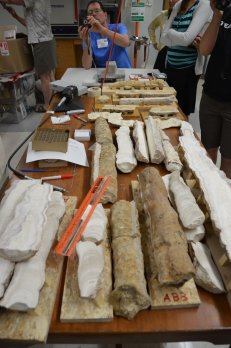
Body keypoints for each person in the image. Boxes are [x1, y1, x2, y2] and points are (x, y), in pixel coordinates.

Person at [1, 0, 57, 112]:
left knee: (45, 77)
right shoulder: (33, 7)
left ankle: (47, 106)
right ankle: (52, 104)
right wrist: (15, 16)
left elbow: (18, 1)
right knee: (49, 75)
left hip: (42, 41)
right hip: (43, 40)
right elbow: (31, 26)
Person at [160, 0, 212, 118]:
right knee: (168, 108)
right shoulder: (179, 5)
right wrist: (181, 38)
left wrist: (171, 33)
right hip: (170, 65)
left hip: (188, 68)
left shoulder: (203, 4)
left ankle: (183, 137)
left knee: (182, 114)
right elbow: (163, 38)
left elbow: (186, 39)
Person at [199, 0, 231, 178]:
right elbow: (204, 49)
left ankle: (224, 201)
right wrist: (216, 16)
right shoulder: (222, 13)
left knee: (228, 159)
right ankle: (207, 197)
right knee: (207, 151)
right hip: (211, 96)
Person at [78, 0, 131, 69]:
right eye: (90, 12)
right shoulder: (89, 34)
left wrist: (102, 30)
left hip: (123, 71)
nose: (93, 14)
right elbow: (86, 65)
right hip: (102, 74)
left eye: (97, 11)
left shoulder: (119, 27)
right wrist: (87, 42)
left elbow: (126, 43)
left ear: (105, 15)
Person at [148, 0, 180, 72]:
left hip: (178, 51)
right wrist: (154, 41)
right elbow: (151, 27)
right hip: (164, 49)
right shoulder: (163, 14)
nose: (170, 1)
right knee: (158, 75)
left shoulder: (184, 15)